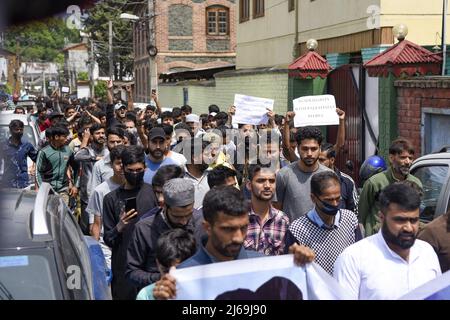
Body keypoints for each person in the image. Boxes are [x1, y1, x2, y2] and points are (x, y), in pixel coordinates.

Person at [152, 186, 315, 300]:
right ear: (207, 227)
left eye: (243, 228)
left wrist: (297, 266)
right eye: (228, 229)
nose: (238, 237)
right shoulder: (183, 276)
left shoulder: (264, 266)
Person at [333, 183, 441, 300]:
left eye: (414, 220)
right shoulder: (353, 259)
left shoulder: (427, 252)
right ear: (382, 217)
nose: (408, 228)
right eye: (400, 220)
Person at [126, 178, 204, 288]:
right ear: (164, 206)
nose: (184, 221)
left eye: (188, 215)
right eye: (177, 216)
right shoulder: (144, 229)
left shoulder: (201, 223)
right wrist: (162, 278)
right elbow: (132, 272)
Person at [103, 145, 157, 300]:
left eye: (139, 170)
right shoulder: (111, 199)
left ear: (145, 168)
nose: (134, 174)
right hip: (123, 268)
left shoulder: (152, 193)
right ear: (123, 168)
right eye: (131, 170)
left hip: (149, 267)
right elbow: (108, 239)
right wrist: (119, 226)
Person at [286, 171, 361, 275]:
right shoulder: (297, 230)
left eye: (338, 199)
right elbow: (292, 268)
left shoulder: (350, 219)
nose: (335, 204)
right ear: (313, 198)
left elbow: (360, 255)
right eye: (329, 200)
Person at [359, 138, 422, 236]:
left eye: (410, 158)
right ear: (391, 158)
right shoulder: (375, 183)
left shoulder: (416, 184)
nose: (407, 162)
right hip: (376, 237)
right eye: (403, 157)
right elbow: (362, 214)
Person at [275, 127, 332, 221]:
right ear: (298, 148)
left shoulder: (329, 176)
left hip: (321, 234)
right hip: (292, 234)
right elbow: (277, 209)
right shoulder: (284, 175)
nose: (309, 153)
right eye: (305, 149)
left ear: (320, 149)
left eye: (313, 149)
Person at [136, 229, 197, 300]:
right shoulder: (146, 295)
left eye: (179, 271)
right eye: (165, 271)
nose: (171, 277)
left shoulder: (203, 291)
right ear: (157, 263)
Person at [244, 164, 290, 256]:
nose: (267, 186)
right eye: (261, 181)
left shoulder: (282, 220)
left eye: (272, 181)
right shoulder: (238, 218)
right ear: (249, 185)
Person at [75, 123, 109, 234]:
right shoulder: (87, 151)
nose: (101, 135)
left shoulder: (108, 151)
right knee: (87, 232)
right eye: (97, 133)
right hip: (88, 198)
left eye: (103, 133)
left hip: (106, 196)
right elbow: (77, 156)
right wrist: (95, 158)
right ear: (92, 136)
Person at [36, 125, 79, 205]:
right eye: (64, 137)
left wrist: (75, 185)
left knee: (62, 215)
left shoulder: (68, 151)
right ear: (56, 137)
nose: (67, 139)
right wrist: (42, 188)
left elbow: (77, 168)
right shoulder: (44, 152)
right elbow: (38, 171)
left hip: (63, 190)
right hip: (48, 191)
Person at [319, 142, 358, 214]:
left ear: (332, 160)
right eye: (317, 160)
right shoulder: (312, 179)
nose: (318, 163)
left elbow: (354, 210)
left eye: (321, 160)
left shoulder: (347, 181)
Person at [1, 120, 38, 189]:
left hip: (23, 183)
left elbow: (38, 159)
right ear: (11, 130)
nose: (19, 132)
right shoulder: (3, 146)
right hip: (7, 183)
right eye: (17, 129)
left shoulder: (27, 145)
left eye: (21, 130)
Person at [184, 138, 210, 209]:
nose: (210, 157)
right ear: (194, 157)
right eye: (207, 154)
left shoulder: (212, 175)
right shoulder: (179, 177)